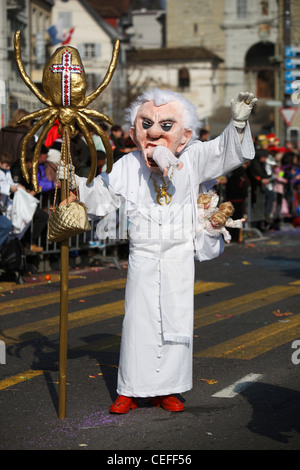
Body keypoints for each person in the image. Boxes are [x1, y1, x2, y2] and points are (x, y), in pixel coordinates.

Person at [59, 88, 257, 413]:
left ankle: (168, 389)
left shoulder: (191, 159)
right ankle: (130, 389)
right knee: (139, 322)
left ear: (184, 135)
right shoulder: (128, 165)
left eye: (166, 125)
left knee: (176, 323)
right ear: (136, 130)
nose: (154, 132)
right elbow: (102, 194)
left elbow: (224, 152)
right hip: (144, 257)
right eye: (146, 123)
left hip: (178, 258)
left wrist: (236, 124)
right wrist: (74, 186)